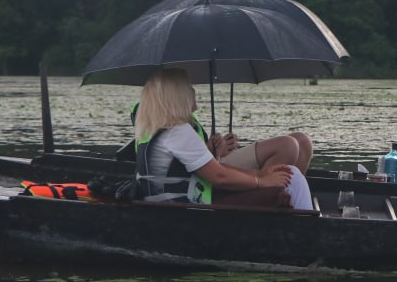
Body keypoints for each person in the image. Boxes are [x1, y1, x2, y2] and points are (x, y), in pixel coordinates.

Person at [133, 69, 313, 210]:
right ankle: (308, 232)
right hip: (190, 212)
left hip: (179, 206)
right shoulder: (178, 132)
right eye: (188, 87)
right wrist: (262, 182)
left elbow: (212, 168)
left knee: (288, 178)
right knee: (293, 179)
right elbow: (219, 176)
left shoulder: (158, 130)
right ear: (177, 96)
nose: (192, 90)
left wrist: (260, 175)